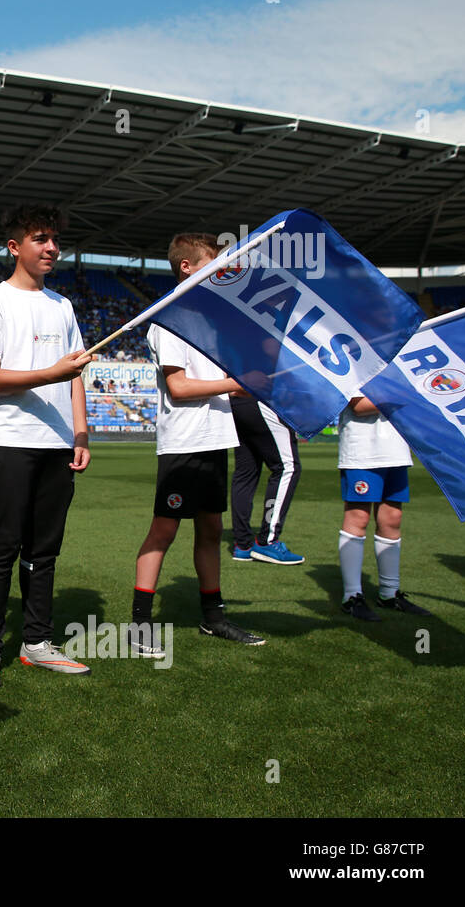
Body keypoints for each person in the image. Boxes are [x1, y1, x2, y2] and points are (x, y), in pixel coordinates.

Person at [0, 203, 93, 687]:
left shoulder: (63, 306)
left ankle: (37, 642)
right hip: (9, 442)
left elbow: (77, 374)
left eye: (55, 239)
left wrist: (80, 433)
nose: (52, 248)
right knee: (1, 548)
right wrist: (51, 373)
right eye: (41, 239)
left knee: (45, 550)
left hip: (58, 445)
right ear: (15, 247)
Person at [129, 233, 266, 656]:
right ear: (187, 267)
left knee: (209, 529)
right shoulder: (169, 318)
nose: (221, 271)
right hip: (183, 445)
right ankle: (139, 626)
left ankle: (214, 618)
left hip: (214, 439)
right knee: (163, 531)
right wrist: (237, 384)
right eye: (213, 263)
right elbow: (180, 387)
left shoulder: (210, 320)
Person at [337, 395, 430, 619]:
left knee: (392, 518)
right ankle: (351, 596)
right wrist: (409, 391)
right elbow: (359, 406)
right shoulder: (354, 362)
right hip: (362, 450)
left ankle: (389, 593)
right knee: (358, 518)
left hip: (396, 449)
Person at [230, 396, 304, 564]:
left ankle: (242, 545)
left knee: (245, 474)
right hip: (262, 399)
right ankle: (267, 541)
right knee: (288, 468)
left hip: (236, 402)